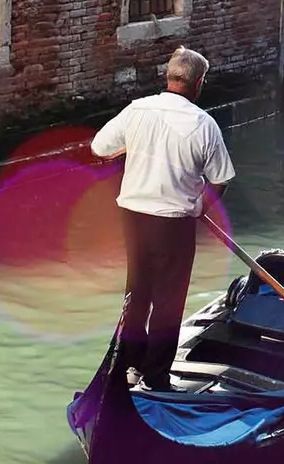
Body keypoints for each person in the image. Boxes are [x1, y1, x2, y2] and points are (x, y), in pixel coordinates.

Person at [92, 47, 235, 392]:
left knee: (137, 292)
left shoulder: (137, 110)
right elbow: (220, 178)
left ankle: (128, 366)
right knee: (169, 300)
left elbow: (100, 147)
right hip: (174, 222)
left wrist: (133, 146)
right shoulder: (204, 125)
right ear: (199, 83)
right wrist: (201, 205)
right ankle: (155, 376)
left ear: (168, 77)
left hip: (134, 216)